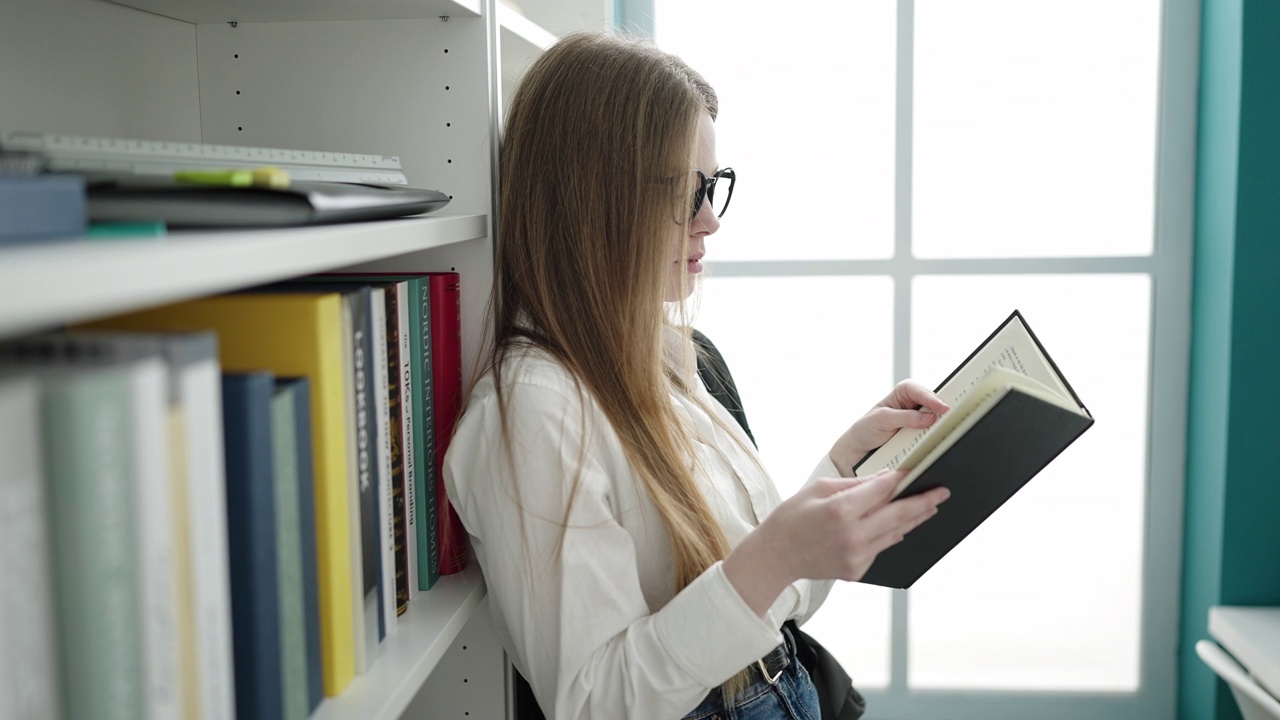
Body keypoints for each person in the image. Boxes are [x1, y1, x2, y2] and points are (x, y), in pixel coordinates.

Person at [442, 31, 952, 720]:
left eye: (714, 188)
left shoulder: (676, 359)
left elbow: (761, 605)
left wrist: (838, 473)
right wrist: (776, 554)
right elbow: (594, 702)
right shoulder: (535, 413)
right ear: (597, 201)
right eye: (687, 193)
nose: (710, 222)